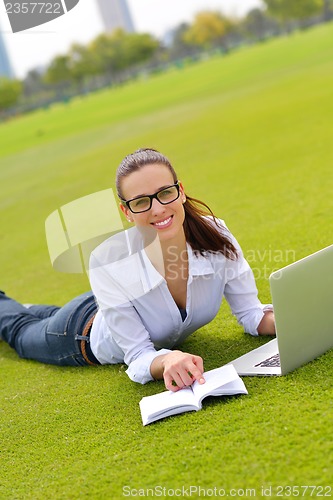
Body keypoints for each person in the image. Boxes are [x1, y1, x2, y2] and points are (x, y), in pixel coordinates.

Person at [0, 148, 275, 392]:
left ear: (180, 191)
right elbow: (138, 356)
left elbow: (251, 314)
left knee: (40, 315)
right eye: (141, 201)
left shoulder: (215, 233)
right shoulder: (107, 261)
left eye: (165, 193)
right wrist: (167, 359)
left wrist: (286, 318)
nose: (157, 209)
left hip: (107, 308)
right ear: (126, 211)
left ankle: (28, 306)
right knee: (20, 330)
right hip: (80, 331)